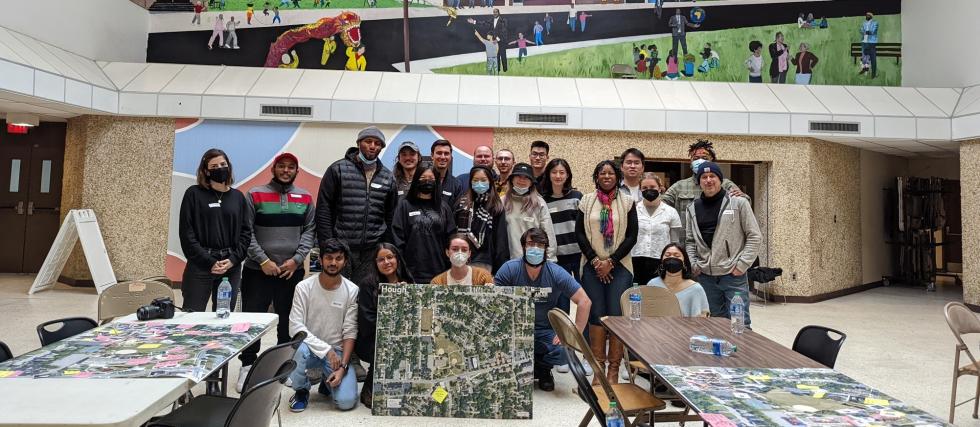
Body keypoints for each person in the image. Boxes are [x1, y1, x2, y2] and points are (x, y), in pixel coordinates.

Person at [237, 152, 315, 392]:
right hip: (257, 270)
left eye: (291, 167)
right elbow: (245, 232)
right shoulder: (254, 194)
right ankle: (247, 366)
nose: (286, 170)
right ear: (274, 168)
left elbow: (309, 231)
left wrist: (296, 260)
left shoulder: (305, 197)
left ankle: (282, 365)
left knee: (287, 321)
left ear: (296, 171)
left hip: (290, 272)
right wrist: (263, 261)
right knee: (253, 320)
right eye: (282, 166)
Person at [494, 228, 592, 392]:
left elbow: (584, 301)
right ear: (523, 247)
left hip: (546, 330)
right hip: (515, 329)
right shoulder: (509, 269)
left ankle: (542, 369)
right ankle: (527, 366)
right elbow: (493, 302)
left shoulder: (556, 272)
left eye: (540, 244)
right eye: (531, 244)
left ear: (546, 248)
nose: (535, 248)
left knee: (564, 352)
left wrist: (573, 334)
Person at [575, 160, 638, 384]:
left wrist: (610, 261)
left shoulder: (628, 202)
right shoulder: (586, 201)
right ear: (596, 177)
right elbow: (580, 234)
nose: (607, 176)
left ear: (617, 177)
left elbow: (632, 236)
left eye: (611, 173)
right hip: (592, 266)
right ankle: (598, 368)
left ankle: (613, 370)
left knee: (615, 315)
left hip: (620, 267)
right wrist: (595, 261)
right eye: (602, 173)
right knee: (596, 314)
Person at [315, 126, 398, 286]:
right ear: (359, 143)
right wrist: (328, 245)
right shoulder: (337, 169)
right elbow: (324, 209)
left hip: (371, 250)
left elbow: (390, 216)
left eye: (377, 143)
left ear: (381, 147)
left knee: (364, 296)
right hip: (341, 248)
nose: (373, 146)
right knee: (337, 292)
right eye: (368, 141)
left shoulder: (388, 177)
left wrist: (386, 247)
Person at [684, 162, 761, 328]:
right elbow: (690, 240)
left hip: (733, 276)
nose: (709, 180)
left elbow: (754, 236)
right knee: (715, 324)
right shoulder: (692, 208)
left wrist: (741, 265)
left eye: (713, 176)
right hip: (706, 277)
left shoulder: (739, 203)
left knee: (740, 324)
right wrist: (694, 263)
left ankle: (742, 355)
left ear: (720, 180)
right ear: (699, 181)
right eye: (704, 177)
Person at [287, 239, 359, 412]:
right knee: (298, 350)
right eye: (328, 258)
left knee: (346, 402)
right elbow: (295, 327)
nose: (333, 263)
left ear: (345, 261)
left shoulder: (352, 290)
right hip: (310, 349)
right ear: (320, 259)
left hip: (337, 354)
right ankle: (301, 390)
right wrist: (326, 350)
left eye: (338, 258)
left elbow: (350, 332)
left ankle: (327, 384)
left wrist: (342, 368)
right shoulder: (303, 287)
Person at [178, 148, 250, 313]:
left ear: (229, 166)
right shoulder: (193, 194)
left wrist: (233, 259)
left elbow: (246, 234)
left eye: (223, 164)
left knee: (223, 319)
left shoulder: (238, 197)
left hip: (230, 267)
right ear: (206, 171)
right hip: (200, 266)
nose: (220, 168)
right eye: (214, 166)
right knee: (191, 317)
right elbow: (187, 234)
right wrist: (209, 262)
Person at [356, 243, 414, 408]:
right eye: (381, 259)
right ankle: (370, 388)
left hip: (403, 334)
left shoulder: (407, 280)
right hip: (373, 338)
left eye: (390, 257)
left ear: (397, 259)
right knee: (386, 346)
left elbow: (415, 314)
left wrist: (406, 295)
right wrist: (389, 301)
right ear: (375, 263)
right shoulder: (367, 284)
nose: (386, 262)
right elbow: (367, 320)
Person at [662, 139, 748, 233]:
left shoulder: (725, 184)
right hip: (686, 241)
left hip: (717, 240)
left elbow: (744, 204)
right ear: (690, 162)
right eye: (695, 158)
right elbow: (661, 205)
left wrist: (742, 196)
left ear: (712, 161)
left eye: (704, 158)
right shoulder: (679, 186)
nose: (700, 161)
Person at [392, 163, 457, 284]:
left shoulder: (444, 207)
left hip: (439, 270)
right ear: (416, 180)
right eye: (423, 179)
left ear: (437, 182)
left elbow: (451, 238)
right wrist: (401, 270)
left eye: (431, 179)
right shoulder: (404, 205)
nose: (427, 182)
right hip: (412, 271)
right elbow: (398, 239)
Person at [454, 166, 510, 272]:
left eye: (483, 180)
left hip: (484, 263)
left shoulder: (496, 206)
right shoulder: (461, 204)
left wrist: (499, 269)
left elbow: (500, 241)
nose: (479, 183)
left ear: (490, 182)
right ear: (470, 182)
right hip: (460, 260)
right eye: (475, 180)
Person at [632, 173, 681, 288]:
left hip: (661, 262)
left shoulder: (671, 212)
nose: (649, 190)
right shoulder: (632, 211)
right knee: (636, 298)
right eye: (644, 188)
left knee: (657, 298)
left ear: (660, 188)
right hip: (635, 262)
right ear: (640, 190)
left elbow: (674, 242)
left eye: (653, 187)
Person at [504, 163, 557, 262]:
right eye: (518, 176)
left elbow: (548, 234)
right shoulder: (502, 202)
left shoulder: (539, 203)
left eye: (526, 177)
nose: (522, 180)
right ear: (511, 179)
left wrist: (550, 260)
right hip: (508, 262)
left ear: (532, 182)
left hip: (534, 261)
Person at [541, 159, 583, 282]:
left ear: (567, 175)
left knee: (584, 294)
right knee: (562, 299)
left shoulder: (577, 196)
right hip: (557, 257)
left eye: (562, 172)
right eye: (554, 172)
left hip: (579, 255)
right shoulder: (543, 200)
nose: (558, 176)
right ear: (548, 175)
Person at [646, 243, 709, 317]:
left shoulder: (696, 289)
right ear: (661, 261)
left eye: (677, 255)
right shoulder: (652, 284)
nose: (672, 258)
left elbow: (702, 320)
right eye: (667, 255)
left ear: (684, 262)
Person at [431, 139, 463, 207]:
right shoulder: (422, 180)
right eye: (439, 153)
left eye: (446, 153)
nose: (443, 157)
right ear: (432, 155)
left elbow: (457, 213)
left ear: (450, 156)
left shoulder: (456, 185)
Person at [860, 12, 878, 78]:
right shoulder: (864, 23)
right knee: (864, 58)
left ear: (871, 16)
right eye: (866, 15)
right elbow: (861, 30)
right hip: (864, 43)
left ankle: (873, 74)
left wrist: (865, 32)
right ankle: (864, 69)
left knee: (873, 59)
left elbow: (873, 31)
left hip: (871, 43)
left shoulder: (875, 23)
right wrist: (864, 32)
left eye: (868, 15)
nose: (866, 16)